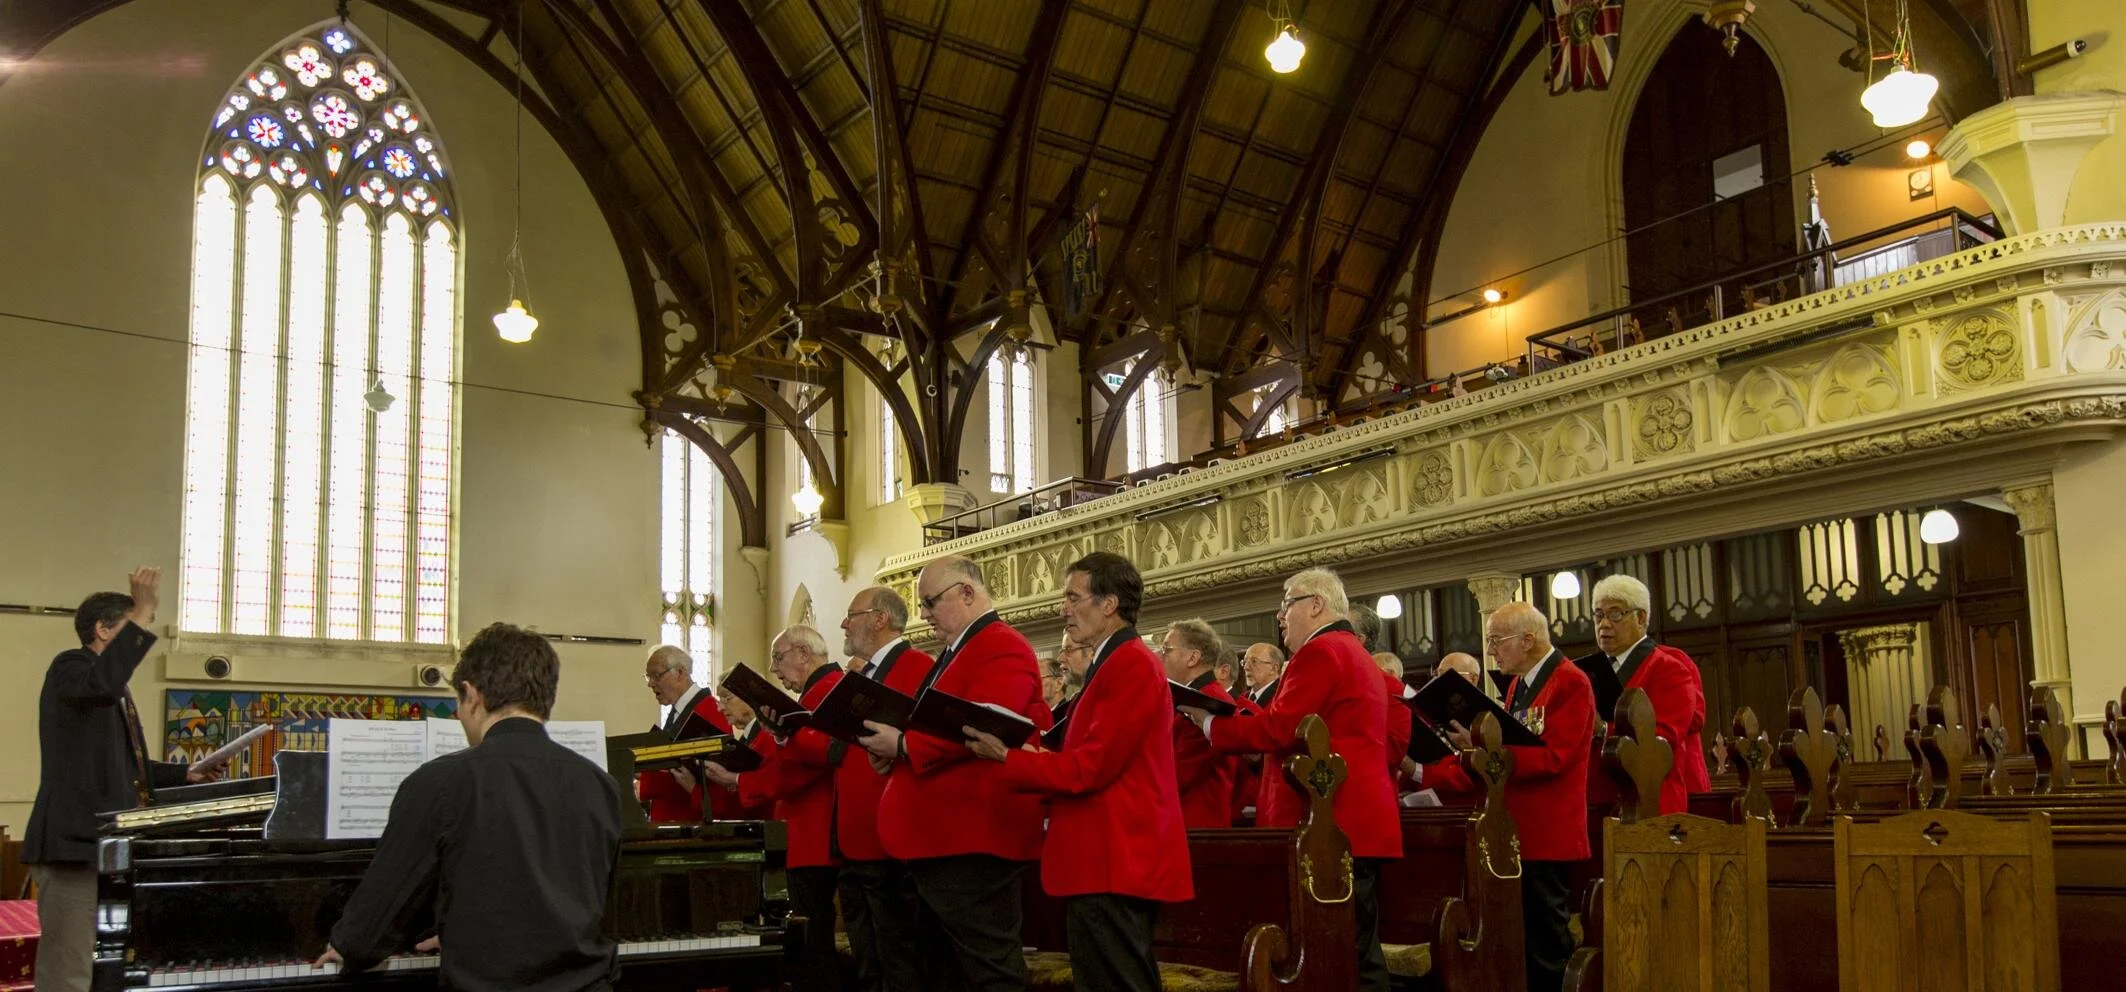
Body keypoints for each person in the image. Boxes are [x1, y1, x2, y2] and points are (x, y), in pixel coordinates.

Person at [317, 622, 624, 992]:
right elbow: (573, 907)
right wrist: (463, 931)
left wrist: (348, 946)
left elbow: (371, 932)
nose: (460, 717)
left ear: (471, 695)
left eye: (458, 705)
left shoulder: (440, 782)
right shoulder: (599, 784)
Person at [969, 552, 1191, 992]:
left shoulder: (1129, 663)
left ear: (1109, 604)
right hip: (1105, 857)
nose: (1063, 608)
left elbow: (1092, 766)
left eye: (1073, 596)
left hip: (1116, 857)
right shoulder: (1114, 662)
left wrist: (1009, 757)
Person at [1185, 568, 1400, 992]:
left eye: (1287, 603)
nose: (1280, 614)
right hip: (1352, 821)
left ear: (1316, 605)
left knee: (1342, 953)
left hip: (1331, 825)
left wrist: (1209, 723)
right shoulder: (1350, 651)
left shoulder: (1321, 652)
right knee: (1355, 951)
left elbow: (1281, 730)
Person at [856, 556, 1050, 992]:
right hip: (945, 842)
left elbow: (985, 722)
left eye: (929, 602)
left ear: (966, 592)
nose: (923, 614)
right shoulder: (957, 649)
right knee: (949, 972)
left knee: (990, 972)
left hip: (972, 842)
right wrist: (894, 751)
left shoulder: (1001, 644)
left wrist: (906, 745)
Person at [25, 568, 217, 992]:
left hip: (108, 847)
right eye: (138, 626)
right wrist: (144, 607)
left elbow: (126, 765)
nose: (146, 635)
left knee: (108, 969)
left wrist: (184, 773)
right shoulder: (71, 668)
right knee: (67, 974)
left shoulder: (108, 685)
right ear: (102, 629)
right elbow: (104, 682)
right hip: (73, 846)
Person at [1424, 603, 1594, 992]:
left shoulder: (1569, 681)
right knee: (1520, 940)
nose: (1491, 651)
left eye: (1497, 641)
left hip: (1548, 831)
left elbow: (1555, 756)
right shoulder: (1519, 684)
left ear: (1528, 640)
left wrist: (1487, 749)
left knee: (1547, 942)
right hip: (1514, 828)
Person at [702, 627, 844, 992]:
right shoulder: (815, 693)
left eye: (778, 658)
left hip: (812, 833)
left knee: (813, 945)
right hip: (807, 833)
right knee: (809, 944)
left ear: (803, 653)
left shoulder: (823, 692)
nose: (775, 669)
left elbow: (800, 770)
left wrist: (739, 781)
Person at [833, 586, 936, 992]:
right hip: (856, 833)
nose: (844, 623)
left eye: (851, 614)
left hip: (889, 838)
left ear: (879, 619)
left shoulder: (915, 667)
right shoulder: (864, 673)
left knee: (898, 955)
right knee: (867, 957)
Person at [1581, 575, 1709, 815]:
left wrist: (1602, 730)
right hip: (1599, 796)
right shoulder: (1590, 672)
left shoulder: (1668, 666)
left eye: (1615, 614)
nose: (1604, 624)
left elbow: (1664, 741)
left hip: (1648, 799)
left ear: (1640, 617)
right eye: (1599, 615)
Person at [638, 645, 733, 822]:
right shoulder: (679, 711)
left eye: (656, 675)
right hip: (672, 819)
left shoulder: (710, 711)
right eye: (648, 677)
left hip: (691, 822)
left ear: (680, 672)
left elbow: (716, 779)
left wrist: (649, 773)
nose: (650, 683)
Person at [1160, 618, 1236, 828]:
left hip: (1198, 824)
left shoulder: (1209, 702)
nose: (1160, 655)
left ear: (1193, 657)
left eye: (1167, 649)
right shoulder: (1194, 696)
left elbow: (1179, 771)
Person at [713, 687, 777, 822]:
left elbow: (769, 787)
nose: (720, 708)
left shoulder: (769, 736)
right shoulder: (748, 738)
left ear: (749, 698)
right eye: (719, 700)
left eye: (726, 698)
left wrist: (732, 778)